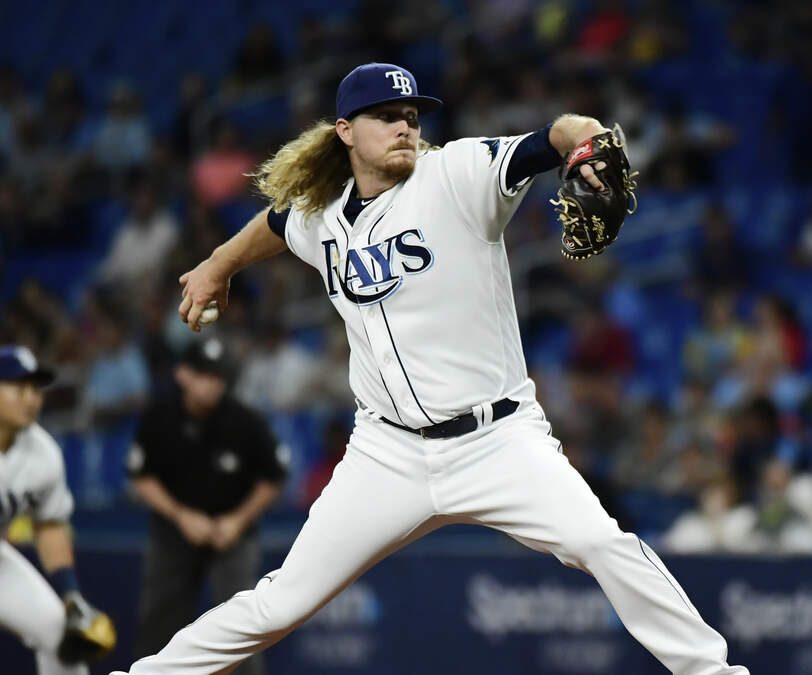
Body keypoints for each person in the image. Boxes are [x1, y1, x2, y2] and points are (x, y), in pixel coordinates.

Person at [111, 63, 748, 675]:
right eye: (386, 116)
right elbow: (278, 223)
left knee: (600, 544)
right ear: (345, 131)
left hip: (497, 440)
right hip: (386, 453)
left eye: (412, 116)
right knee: (281, 603)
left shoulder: (456, 174)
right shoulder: (322, 215)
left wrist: (586, 137)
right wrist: (218, 264)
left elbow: (555, 136)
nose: (404, 127)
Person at [126, 337, 286, 675]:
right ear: (182, 374)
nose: (212, 383)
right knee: (160, 621)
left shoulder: (244, 420)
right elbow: (142, 476)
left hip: (231, 535)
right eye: (203, 374)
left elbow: (273, 477)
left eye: (218, 376)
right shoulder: (159, 416)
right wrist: (181, 516)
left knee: (243, 624)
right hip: (174, 532)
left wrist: (238, 520)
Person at [0, 345, 113, 675]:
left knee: (60, 635)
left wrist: (70, 595)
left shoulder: (44, 453)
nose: (31, 398)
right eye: (18, 387)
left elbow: (49, 525)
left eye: (36, 389)